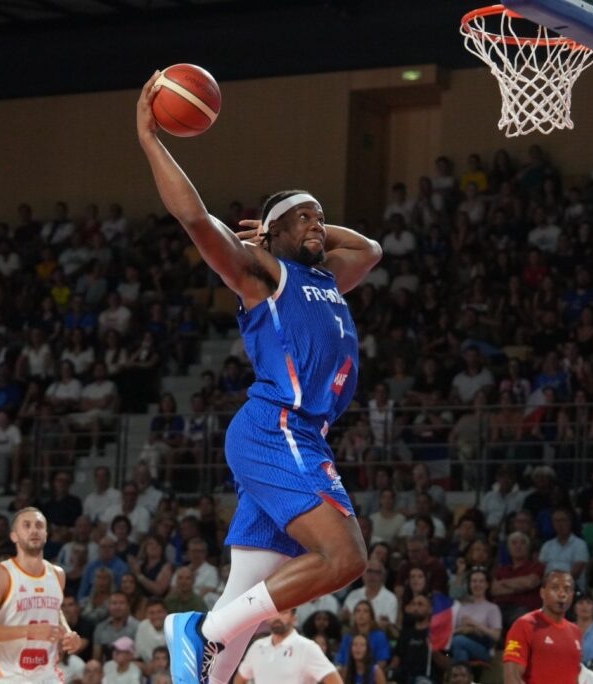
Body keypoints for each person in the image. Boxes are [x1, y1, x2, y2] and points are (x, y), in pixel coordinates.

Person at [137, 72, 382, 684]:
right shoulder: (263, 275)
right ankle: (200, 629)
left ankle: (211, 648)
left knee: (240, 617)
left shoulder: (328, 277)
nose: (317, 225)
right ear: (273, 233)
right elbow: (196, 219)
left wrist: (311, 225)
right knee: (345, 557)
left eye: (320, 216)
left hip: (300, 435)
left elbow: (371, 250)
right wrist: (151, 140)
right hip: (278, 428)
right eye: (303, 218)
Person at [0, 508, 81, 683]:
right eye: (26, 526)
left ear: (46, 535)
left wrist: (68, 633)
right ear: (14, 536)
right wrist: (29, 631)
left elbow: (54, 610)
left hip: (47, 675)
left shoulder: (58, 574)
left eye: (39, 526)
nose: (34, 530)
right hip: (8, 677)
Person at [502, 570, 582, 684]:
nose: (562, 594)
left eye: (567, 589)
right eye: (555, 588)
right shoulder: (525, 625)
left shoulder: (576, 631)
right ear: (542, 593)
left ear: (572, 595)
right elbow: (512, 678)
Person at [233, 610, 342, 684]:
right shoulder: (257, 647)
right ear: (267, 618)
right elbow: (240, 678)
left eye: (284, 612)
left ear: (294, 618)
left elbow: (334, 680)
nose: (277, 617)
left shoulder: (306, 647)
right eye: (273, 613)